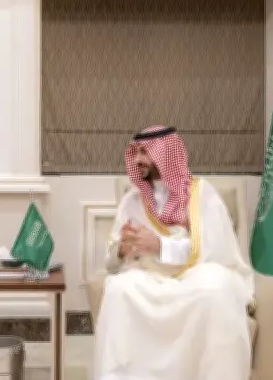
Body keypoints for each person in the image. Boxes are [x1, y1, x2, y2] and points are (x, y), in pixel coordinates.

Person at [93, 126, 255, 380]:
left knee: (217, 289)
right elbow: (111, 262)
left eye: (145, 152)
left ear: (166, 153)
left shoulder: (202, 194)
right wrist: (122, 250)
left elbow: (212, 247)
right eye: (135, 152)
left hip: (196, 273)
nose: (137, 160)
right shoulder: (133, 200)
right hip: (149, 276)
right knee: (118, 289)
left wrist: (159, 245)